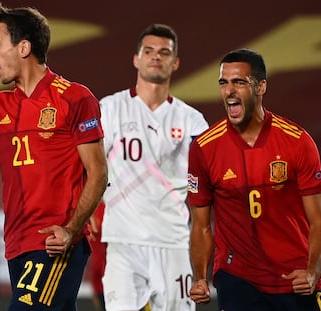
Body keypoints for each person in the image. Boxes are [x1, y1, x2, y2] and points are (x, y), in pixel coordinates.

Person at [0, 4, 107, 311]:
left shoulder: (74, 98)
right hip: (17, 245)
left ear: (23, 47)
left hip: (55, 243)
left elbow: (98, 173)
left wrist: (71, 230)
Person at [187, 48, 321, 310]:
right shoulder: (204, 148)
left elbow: (319, 221)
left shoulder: (297, 142)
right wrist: (199, 277)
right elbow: (201, 226)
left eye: (239, 82)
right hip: (238, 278)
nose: (229, 91)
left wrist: (312, 271)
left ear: (261, 86)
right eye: (223, 82)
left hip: (294, 278)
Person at [99, 23, 209, 311]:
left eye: (164, 52)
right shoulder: (110, 109)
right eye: (148, 51)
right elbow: (90, 167)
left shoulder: (192, 121)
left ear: (175, 63)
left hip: (173, 241)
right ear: (136, 59)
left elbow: (206, 184)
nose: (156, 57)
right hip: (123, 241)